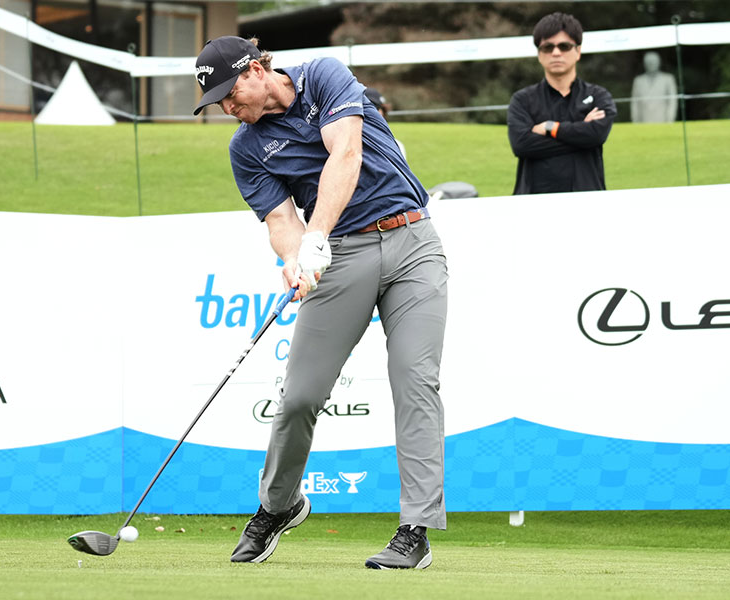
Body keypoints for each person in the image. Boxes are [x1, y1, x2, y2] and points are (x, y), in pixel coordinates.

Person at [193, 36, 448, 570]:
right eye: (218, 102)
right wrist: (294, 259)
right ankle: (278, 506)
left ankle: (415, 530)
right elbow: (280, 219)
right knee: (299, 396)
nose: (227, 107)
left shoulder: (324, 76)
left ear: (256, 69)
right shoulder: (246, 148)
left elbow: (345, 152)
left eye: (231, 93)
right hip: (341, 256)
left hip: (412, 242)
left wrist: (315, 238)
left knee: (415, 381)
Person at [506, 12, 617, 194]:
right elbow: (522, 145)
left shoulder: (598, 96)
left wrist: (550, 128)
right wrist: (582, 133)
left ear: (578, 51)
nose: (556, 53)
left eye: (564, 46)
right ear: (539, 54)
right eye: (547, 47)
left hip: (587, 199)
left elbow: (596, 135)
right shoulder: (522, 100)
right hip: (533, 202)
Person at [631, 51, 678, 123]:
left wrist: (670, 120)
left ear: (659, 62)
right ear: (644, 63)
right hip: (644, 121)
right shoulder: (638, 81)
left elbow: (672, 101)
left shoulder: (668, 79)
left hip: (663, 121)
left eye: (654, 62)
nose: (651, 64)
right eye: (649, 62)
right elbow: (635, 103)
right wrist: (635, 120)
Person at [364, 87, 407, 159]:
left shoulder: (396, 146)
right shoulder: (349, 145)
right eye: (366, 108)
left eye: (376, 108)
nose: (372, 113)